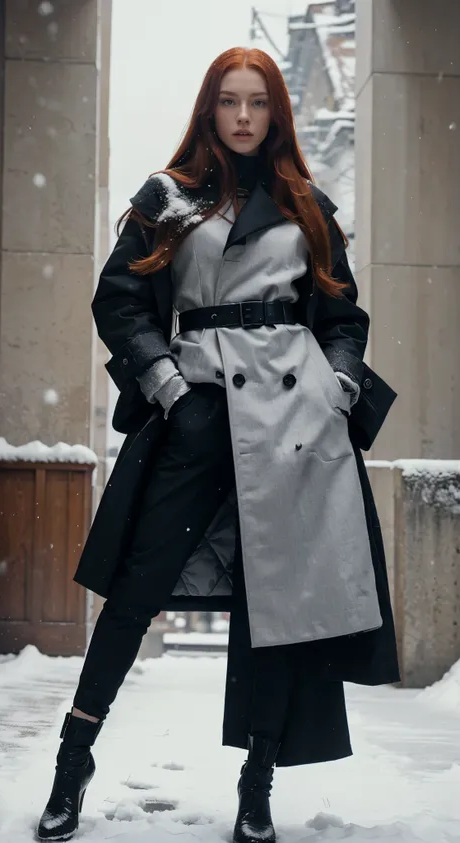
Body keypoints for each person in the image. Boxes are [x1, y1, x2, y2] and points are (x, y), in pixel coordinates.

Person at [37, 47, 400, 843]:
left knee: (277, 604)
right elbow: (120, 299)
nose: (243, 116)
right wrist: (166, 381)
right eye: (229, 101)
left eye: (258, 102)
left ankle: (257, 786)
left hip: (294, 430)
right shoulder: (168, 198)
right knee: (133, 592)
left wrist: (337, 387)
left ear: (276, 113)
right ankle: (73, 760)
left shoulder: (307, 204)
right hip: (197, 411)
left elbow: (343, 320)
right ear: (209, 110)